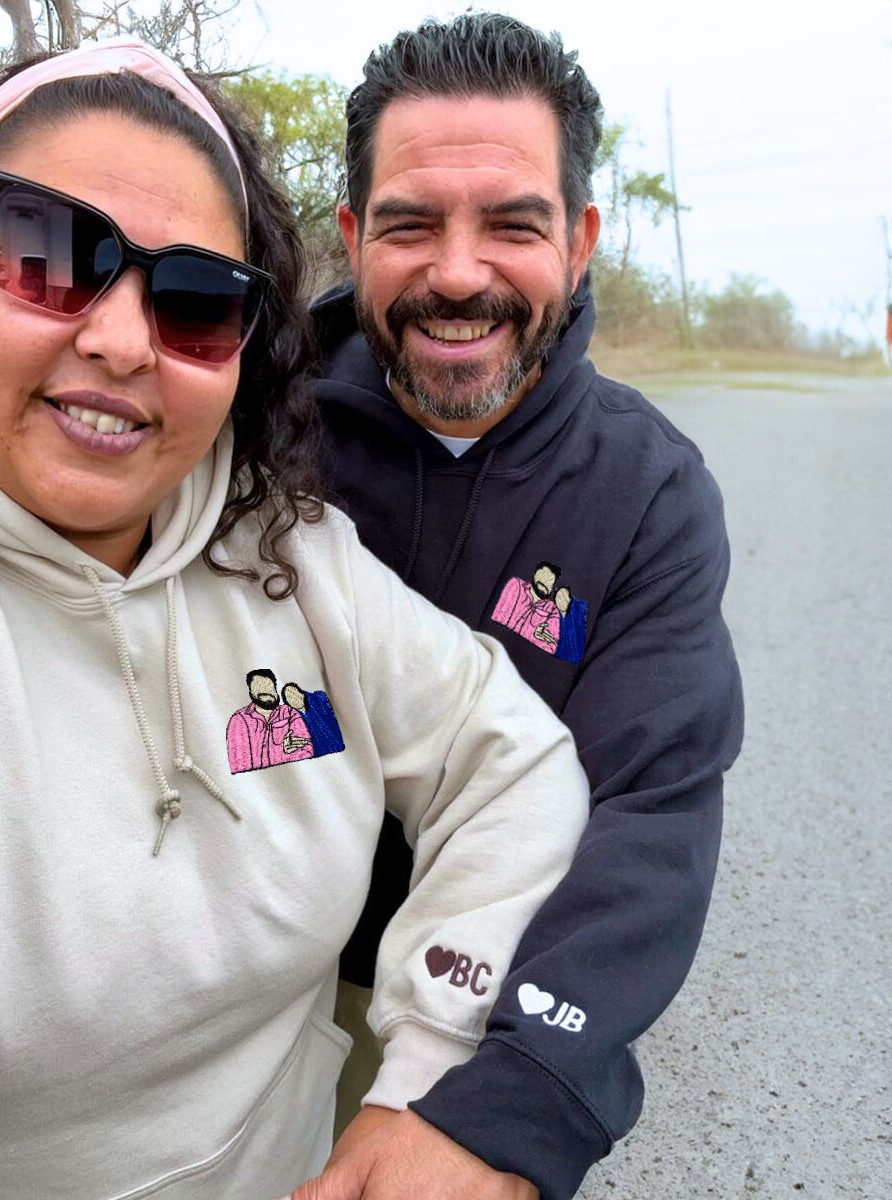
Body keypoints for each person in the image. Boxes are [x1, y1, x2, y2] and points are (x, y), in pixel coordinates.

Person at [0, 36, 590, 1200]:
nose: (121, 341)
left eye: (194, 301)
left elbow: (509, 763)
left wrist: (430, 1077)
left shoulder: (289, 557)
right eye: (48, 255)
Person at [310, 13, 745, 1200]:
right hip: (220, 973)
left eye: (512, 223)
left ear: (584, 238)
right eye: (409, 224)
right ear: (352, 239)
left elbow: (652, 807)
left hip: (478, 991)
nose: (458, 273)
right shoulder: (252, 423)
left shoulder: (648, 491)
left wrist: (513, 1102)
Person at [226, 668, 314, 772]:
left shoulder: (290, 714)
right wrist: (282, 752)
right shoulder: (239, 720)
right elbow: (238, 765)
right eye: (260, 690)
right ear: (251, 693)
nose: (267, 694)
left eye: (270, 688)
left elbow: (307, 751)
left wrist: (287, 754)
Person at [283, 681, 346, 758]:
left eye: (296, 693)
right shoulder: (290, 718)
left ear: (302, 693)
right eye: (290, 698)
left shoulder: (318, 699)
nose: (294, 698)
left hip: (337, 748)